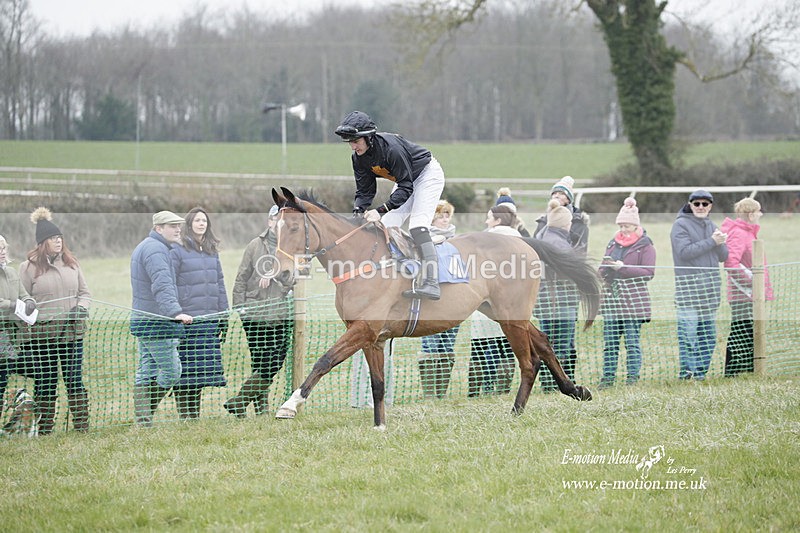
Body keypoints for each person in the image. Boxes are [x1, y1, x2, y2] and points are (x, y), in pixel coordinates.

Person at [334, 110, 445, 300]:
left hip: (427, 175)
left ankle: (431, 283)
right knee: (385, 228)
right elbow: (364, 191)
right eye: (350, 142)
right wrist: (358, 212)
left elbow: (406, 186)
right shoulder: (358, 158)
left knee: (418, 227)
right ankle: (393, 278)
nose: (353, 146)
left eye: (356, 141)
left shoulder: (391, 149)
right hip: (406, 181)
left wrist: (381, 210)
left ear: (368, 138)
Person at [18, 208, 92, 434]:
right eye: (53, 238)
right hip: (42, 337)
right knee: (46, 382)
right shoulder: (27, 268)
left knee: (74, 380)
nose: (58, 242)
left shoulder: (72, 264)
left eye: (60, 238)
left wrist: (81, 308)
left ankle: (81, 426)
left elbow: (85, 293)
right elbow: (23, 299)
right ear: (42, 243)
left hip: (72, 334)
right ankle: (45, 428)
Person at [225, 205, 293, 418]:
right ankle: (261, 410)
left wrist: (274, 275)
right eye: (275, 219)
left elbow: (295, 279)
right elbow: (241, 277)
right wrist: (240, 309)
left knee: (274, 362)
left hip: (281, 315)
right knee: (260, 362)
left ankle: (239, 401)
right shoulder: (255, 245)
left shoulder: (291, 246)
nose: (278, 223)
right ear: (269, 222)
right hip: (254, 314)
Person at [130, 210, 193, 427]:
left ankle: (143, 421)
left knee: (146, 371)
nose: (178, 229)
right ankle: (144, 416)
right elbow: (162, 284)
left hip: (144, 320)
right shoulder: (155, 250)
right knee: (172, 371)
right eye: (172, 226)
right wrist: (175, 313)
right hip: (156, 323)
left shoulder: (149, 246)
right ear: (159, 228)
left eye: (178, 225)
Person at [169, 207, 229, 420]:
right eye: (197, 220)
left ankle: (195, 415)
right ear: (189, 224)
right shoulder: (178, 250)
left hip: (209, 319)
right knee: (185, 372)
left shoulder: (212, 250)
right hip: (187, 320)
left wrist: (224, 313)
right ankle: (185, 415)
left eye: (204, 220)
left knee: (201, 371)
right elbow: (171, 283)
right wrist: (176, 311)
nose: (201, 224)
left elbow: (219, 282)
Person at [670, 189, 728, 381]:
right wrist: (712, 241)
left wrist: (720, 243)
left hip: (710, 292)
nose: (701, 207)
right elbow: (685, 252)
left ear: (710, 206)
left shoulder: (712, 225)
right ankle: (686, 374)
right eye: (697, 204)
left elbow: (724, 257)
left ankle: (700, 374)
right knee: (688, 337)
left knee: (708, 338)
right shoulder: (680, 225)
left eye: (705, 204)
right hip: (689, 292)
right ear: (690, 204)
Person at [598, 198, 656, 388]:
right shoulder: (612, 244)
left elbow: (648, 273)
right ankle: (607, 379)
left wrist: (622, 268)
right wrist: (605, 269)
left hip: (633, 303)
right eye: (621, 225)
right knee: (610, 344)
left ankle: (632, 378)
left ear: (635, 225)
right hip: (612, 302)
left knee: (632, 343)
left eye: (627, 225)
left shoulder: (646, 245)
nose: (623, 229)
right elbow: (602, 268)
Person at [467, 204, 519, 397]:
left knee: (480, 349)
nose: (486, 221)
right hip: (513, 303)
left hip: (487, 301)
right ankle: (502, 391)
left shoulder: (486, 239)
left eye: (489, 217)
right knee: (506, 348)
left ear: (497, 220)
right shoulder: (520, 239)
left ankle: (475, 392)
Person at [720, 198, 773, 376]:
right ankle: (732, 372)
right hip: (743, 294)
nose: (761, 214)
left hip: (752, 294)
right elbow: (731, 263)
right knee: (740, 332)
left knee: (749, 332)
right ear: (751, 215)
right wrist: (752, 282)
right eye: (758, 211)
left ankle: (748, 369)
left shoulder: (749, 232)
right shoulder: (739, 234)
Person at [533, 199, 580, 392]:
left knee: (548, 345)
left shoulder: (546, 237)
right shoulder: (558, 243)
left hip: (547, 301)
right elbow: (565, 274)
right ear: (565, 224)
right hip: (559, 302)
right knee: (558, 347)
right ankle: (553, 386)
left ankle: (549, 385)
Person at [418, 200, 459, 399]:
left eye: (447, 215)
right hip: (431, 304)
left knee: (447, 347)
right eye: (441, 215)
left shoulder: (456, 241)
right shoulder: (423, 239)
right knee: (430, 346)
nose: (444, 219)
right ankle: (429, 394)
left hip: (454, 304)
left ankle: (440, 393)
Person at [0, 235, 37, 406]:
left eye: (3, 248)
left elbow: (24, 294)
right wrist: (12, 305)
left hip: (12, 337)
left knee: (3, 380)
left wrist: (29, 302)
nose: (2, 252)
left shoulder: (12, 272)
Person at [534, 176, 590, 253]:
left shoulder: (579, 223)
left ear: (568, 200)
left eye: (561, 193)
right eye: (554, 193)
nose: (557, 196)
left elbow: (581, 251)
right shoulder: (543, 222)